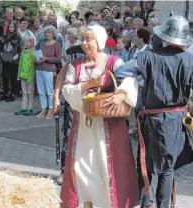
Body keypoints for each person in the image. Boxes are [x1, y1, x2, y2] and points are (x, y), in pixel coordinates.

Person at [115, 15, 193, 208]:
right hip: (175, 121)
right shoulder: (191, 60)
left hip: (151, 119)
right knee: (167, 169)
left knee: (145, 164)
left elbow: (122, 71)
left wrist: (144, 76)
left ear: (164, 36)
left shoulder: (147, 56)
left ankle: (145, 203)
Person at [60, 24, 139, 208]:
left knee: (107, 168)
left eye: (89, 39)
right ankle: (87, 204)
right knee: (82, 168)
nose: (85, 43)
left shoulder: (114, 62)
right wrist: (87, 85)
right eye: (83, 39)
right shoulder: (76, 65)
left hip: (110, 126)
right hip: (83, 128)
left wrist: (120, 94)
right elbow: (67, 89)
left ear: (99, 41)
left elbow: (131, 78)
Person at [36, 25, 62, 119]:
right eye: (46, 32)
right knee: (41, 91)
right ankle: (44, 109)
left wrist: (46, 58)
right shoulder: (42, 43)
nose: (47, 34)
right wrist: (37, 59)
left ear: (53, 34)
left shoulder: (56, 44)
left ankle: (51, 109)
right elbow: (38, 53)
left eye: (50, 32)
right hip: (39, 68)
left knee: (50, 91)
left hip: (49, 70)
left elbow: (58, 59)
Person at [0, 21, 23, 102]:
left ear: (15, 28)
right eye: (10, 27)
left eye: (12, 27)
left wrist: (16, 57)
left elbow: (20, 49)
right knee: (5, 77)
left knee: (13, 77)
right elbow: (1, 47)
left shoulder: (18, 37)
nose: (11, 28)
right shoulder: (5, 36)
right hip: (5, 60)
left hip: (14, 61)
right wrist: (1, 55)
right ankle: (5, 93)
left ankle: (13, 93)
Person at [15, 37, 36, 116]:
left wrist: (30, 77)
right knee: (24, 92)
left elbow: (33, 66)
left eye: (27, 42)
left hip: (29, 77)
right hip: (22, 75)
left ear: (31, 43)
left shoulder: (33, 53)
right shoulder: (23, 52)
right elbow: (20, 64)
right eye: (25, 42)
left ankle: (29, 108)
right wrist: (18, 75)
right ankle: (23, 107)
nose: (25, 43)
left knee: (30, 93)